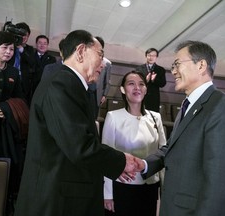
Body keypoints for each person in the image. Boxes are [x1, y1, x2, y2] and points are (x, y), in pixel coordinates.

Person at [14, 29, 141, 216]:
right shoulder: (62, 84)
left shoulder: (71, 84)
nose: (103, 64)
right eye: (100, 55)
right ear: (81, 51)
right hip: (56, 200)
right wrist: (120, 161)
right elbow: (79, 145)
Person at [140, 40, 225, 215]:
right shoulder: (187, 106)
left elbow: (221, 185)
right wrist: (144, 165)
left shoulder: (224, 107)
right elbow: (173, 148)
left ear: (201, 65)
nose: (173, 71)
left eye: (177, 64)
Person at [103, 71, 166, 216]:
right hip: (123, 187)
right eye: (131, 84)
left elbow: (163, 154)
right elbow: (106, 158)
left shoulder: (156, 118)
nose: (137, 87)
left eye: (141, 84)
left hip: (150, 187)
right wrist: (107, 194)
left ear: (146, 90)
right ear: (123, 90)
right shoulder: (113, 117)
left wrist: (164, 189)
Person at [0, 31, 29, 215]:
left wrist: (7, 109)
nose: (9, 52)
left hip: (1, 131)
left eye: (12, 49)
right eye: (5, 47)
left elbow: (20, 99)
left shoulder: (13, 72)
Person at [8, 22, 36, 105]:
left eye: (26, 35)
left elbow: (32, 62)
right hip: (8, 78)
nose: (24, 38)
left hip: (22, 83)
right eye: (22, 35)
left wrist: (21, 49)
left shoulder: (29, 49)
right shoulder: (9, 46)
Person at [136, 48, 166, 112]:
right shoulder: (139, 68)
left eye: (153, 56)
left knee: (152, 118)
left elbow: (163, 83)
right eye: (149, 55)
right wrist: (145, 80)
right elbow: (136, 82)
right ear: (146, 56)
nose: (151, 57)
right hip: (141, 96)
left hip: (154, 98)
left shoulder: (160, 69)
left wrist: (154, 80)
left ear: (156, 57)